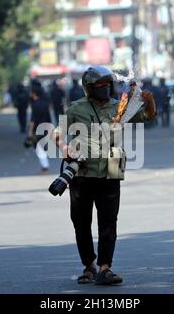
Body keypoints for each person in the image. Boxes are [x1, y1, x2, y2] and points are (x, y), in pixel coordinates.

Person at [53, 66, 157, 285]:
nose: (104, 89)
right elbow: (57, 133)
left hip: (110, 171)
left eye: (107, 85)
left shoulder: (119, 108)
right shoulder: (75, 109)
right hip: (81, 174)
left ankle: (105, 268)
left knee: (109, 222)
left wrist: (149, 101)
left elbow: (148, 117)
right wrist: (64, 148)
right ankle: (88, 266)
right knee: (81, 223)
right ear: (89, 88)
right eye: (99, 86)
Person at [28, 80, 52, 174]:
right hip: (46, 127)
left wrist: (30, 131)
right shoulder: (44, 103)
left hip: (37, 129)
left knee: (38, 148)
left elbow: (32, 120)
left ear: (34, 93)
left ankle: (45, 167)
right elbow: (48, 117)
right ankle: (44, 167)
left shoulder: (35, 105)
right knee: (41, 147)